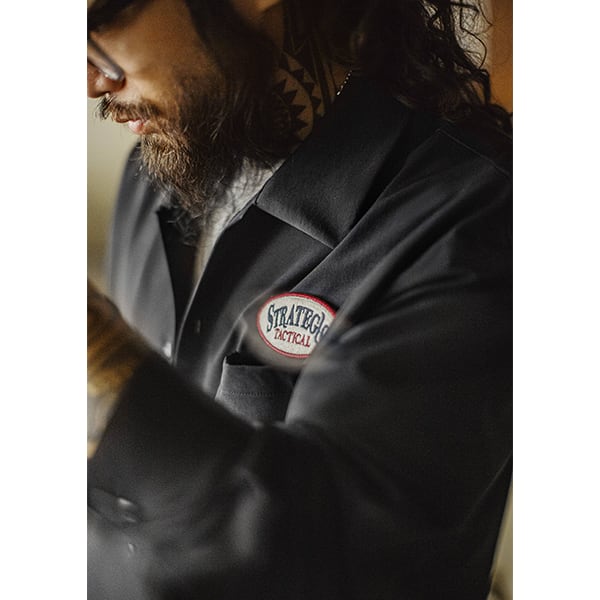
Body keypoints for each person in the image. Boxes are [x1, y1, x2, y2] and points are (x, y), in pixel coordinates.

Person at [87, 0, 512, 598]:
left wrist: (90, 347)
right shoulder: (151, 171)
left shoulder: (474, 220)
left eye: (95, 23)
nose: (89, 81)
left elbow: (326, 565)